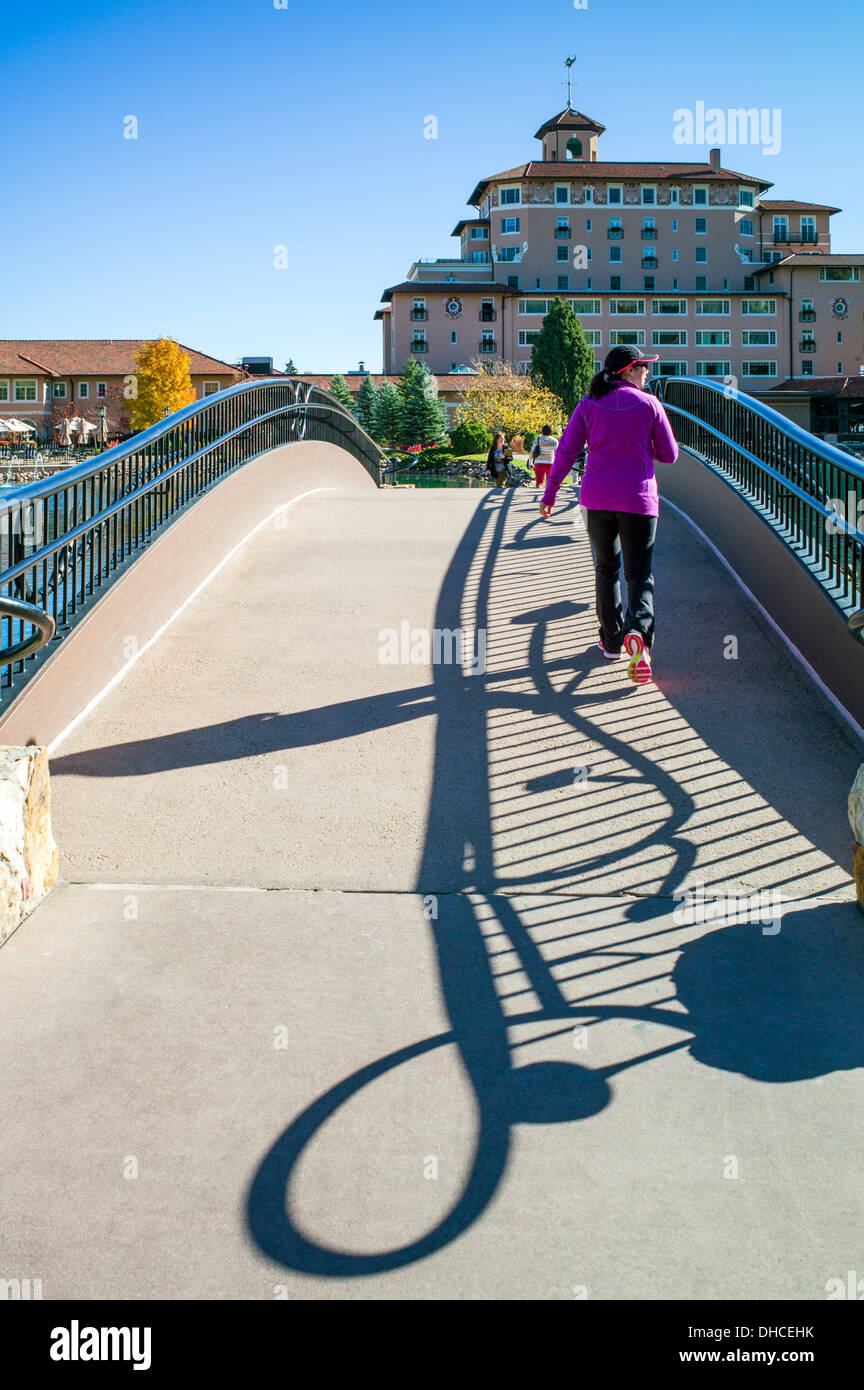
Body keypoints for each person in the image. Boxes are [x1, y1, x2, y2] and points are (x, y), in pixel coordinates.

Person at [539, 345, 678, 686]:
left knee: (606, 569)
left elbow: (568, 449)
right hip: (638, 501)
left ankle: (612, 641)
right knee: (640, 575)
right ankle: (639, 638)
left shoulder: (588, 405)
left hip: (597, 498)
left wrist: (550, 492)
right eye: (643, 366)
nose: (647, 371)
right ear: (629, 369)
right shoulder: (650, 404)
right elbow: (670, 455)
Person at [528, 424, 559, 490]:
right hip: (550, 463)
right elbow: (557, 453)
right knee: (549, 482)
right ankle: (547, 496)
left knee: (539, 482)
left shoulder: (538, 439)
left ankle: (539, 494)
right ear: (551, 431)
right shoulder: (554, 440)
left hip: (539, 462)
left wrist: (530, 461)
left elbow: (532, 451)